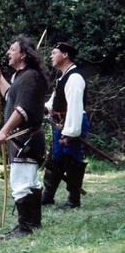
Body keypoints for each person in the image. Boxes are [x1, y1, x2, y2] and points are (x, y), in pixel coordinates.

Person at [0, 36, 48, 239]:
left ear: (22, 54)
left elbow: (21, 110)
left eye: (12, 49)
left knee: (22, 182)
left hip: (25, 139)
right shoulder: (20, 77)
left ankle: (25, 227)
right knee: (31, 182)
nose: (8, 52)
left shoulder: (30, 77)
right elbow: (9, 96)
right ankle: (34, 223)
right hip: (25, 139)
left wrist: (4, 131)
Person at [42, 42, 89, 210]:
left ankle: (74, 200)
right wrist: (45, 108)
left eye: (54, 53)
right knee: (55, 160)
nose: (51, 56)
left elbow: (75, 108)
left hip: (71, 124)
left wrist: (69, 134)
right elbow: (54, 101)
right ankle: (47, 197)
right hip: (60, 124)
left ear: (65, 55)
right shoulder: (64, 76)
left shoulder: (75, 77)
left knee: (72, 160)